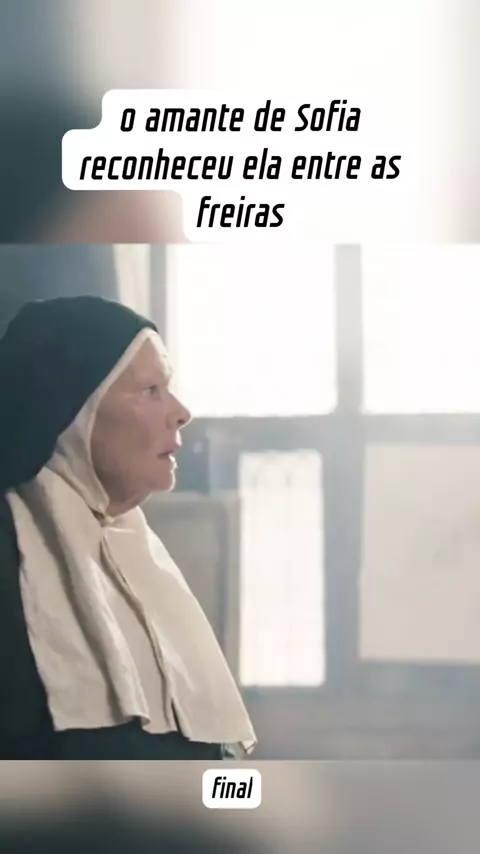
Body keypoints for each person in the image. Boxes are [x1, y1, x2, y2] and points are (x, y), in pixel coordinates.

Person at [0, 295, 256, 759]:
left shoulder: (140, 551)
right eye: (150, 390)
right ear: (74, 412)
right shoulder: (13, 550)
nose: (181, 411)